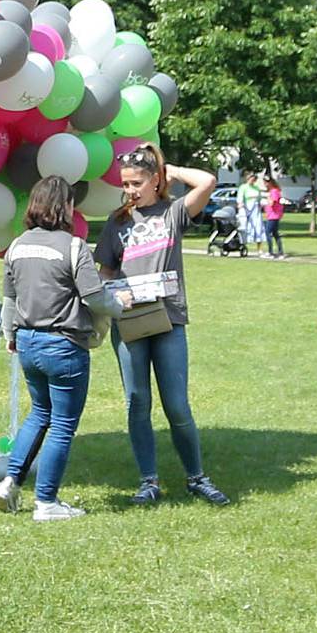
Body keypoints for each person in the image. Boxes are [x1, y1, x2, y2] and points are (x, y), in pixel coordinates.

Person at [96, 145, 228, 507]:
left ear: (156, 180)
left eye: (137, 182)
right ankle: (148, 481)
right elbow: (105, 270)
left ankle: (196, 477)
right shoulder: (117, 222)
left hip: (169, 318)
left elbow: (208, 181)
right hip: (130, 322)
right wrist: (109, 295)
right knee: (137, 401)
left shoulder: (172, 213)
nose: (130, 190)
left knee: (177, 404)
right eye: (125, 184)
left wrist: (172, 168)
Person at [0, 177, 112, 521]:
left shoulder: (16, 246)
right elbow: (95, 297)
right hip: (63, 345)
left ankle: (10, 481)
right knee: (62, 424)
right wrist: (123, 304)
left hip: (28, 342)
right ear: (66, 208)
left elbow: (9, 302)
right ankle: (46, 502)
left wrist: (10, 337)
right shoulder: (74, 247)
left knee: (39, 413)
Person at [261, 173, 286, 260]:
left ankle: (271, 252)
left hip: (273, 216)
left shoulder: (274, 191)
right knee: (275, 234)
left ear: (269, 183)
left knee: (268, 233)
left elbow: (272, 203)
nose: (264, 184)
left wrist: (267, 199)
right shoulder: (273, 191)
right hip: (271, 215)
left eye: (265, 183)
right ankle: (280, 252)